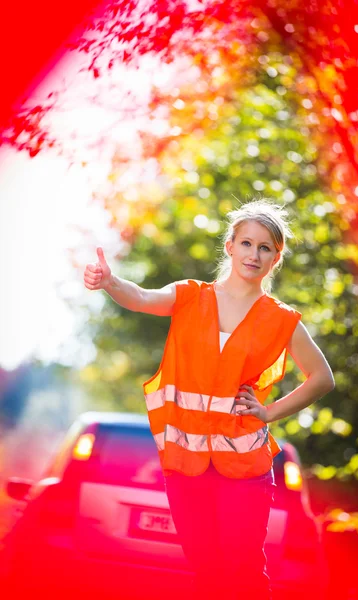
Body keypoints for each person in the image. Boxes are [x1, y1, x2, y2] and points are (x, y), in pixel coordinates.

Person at [84, 199, 335, 600]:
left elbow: (322, 378)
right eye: (247, 243)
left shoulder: (281, 318)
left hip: (244, 466)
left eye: (265, 247)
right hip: (185, 463)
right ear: (230, 246)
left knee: (244, 574)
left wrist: (269, 411)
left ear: (276, 257)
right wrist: (110, 282)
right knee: (207, 573)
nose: (254, 254)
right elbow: (142, 298)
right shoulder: (189, 296)